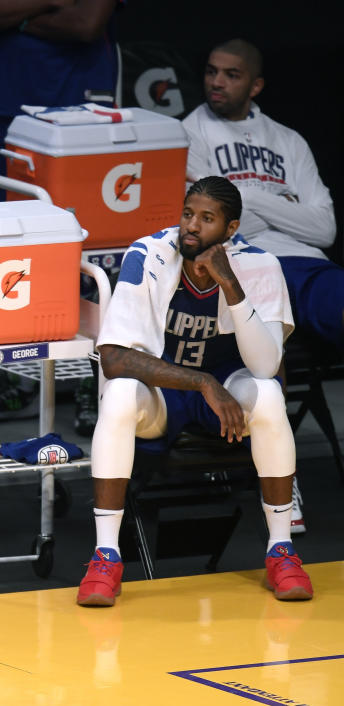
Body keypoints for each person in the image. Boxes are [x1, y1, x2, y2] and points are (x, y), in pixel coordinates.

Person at [77, 176, 313, 606]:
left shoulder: (261, 265)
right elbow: (113, 358)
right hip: (167, 392)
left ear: (231, 229)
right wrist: (202, 382)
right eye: (188, 214)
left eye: (207, 219)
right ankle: (105, 556)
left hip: (229, 391)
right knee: (120, 394)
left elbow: (265, 366)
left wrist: (230, 285)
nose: (192, 226)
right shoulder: (146, 254)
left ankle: (282, 551)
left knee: (270, 395)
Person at [182, 38, 339, 534]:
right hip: (244, 263)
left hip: (306, 263)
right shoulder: (188, 134)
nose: (216, 82)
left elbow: (324, 231)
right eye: (211, 72)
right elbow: (214, 220)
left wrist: (247, 195)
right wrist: (282, 203)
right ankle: (281, 480)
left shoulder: (288, 140)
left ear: (256, 84)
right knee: (267, 346)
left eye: (230, 74)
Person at [0, 0, 121, 426]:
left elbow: (87, 23)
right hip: (12, 102)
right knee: (15, 243)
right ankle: (24, 377)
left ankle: (93, 383)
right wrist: (49, 4)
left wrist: (18, 15)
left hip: (83, 104)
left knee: (92, 249)